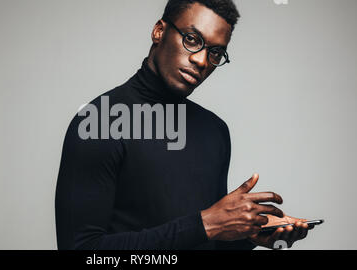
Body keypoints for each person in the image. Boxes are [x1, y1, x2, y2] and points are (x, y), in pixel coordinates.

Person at [54, 0, 314, 250]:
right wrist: (206, 224)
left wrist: (246, 237)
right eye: (192, 39)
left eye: (215, 52)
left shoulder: (214, 131)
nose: (201, 61)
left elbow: (203, 241)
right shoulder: (99, 123)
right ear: (159, 31)